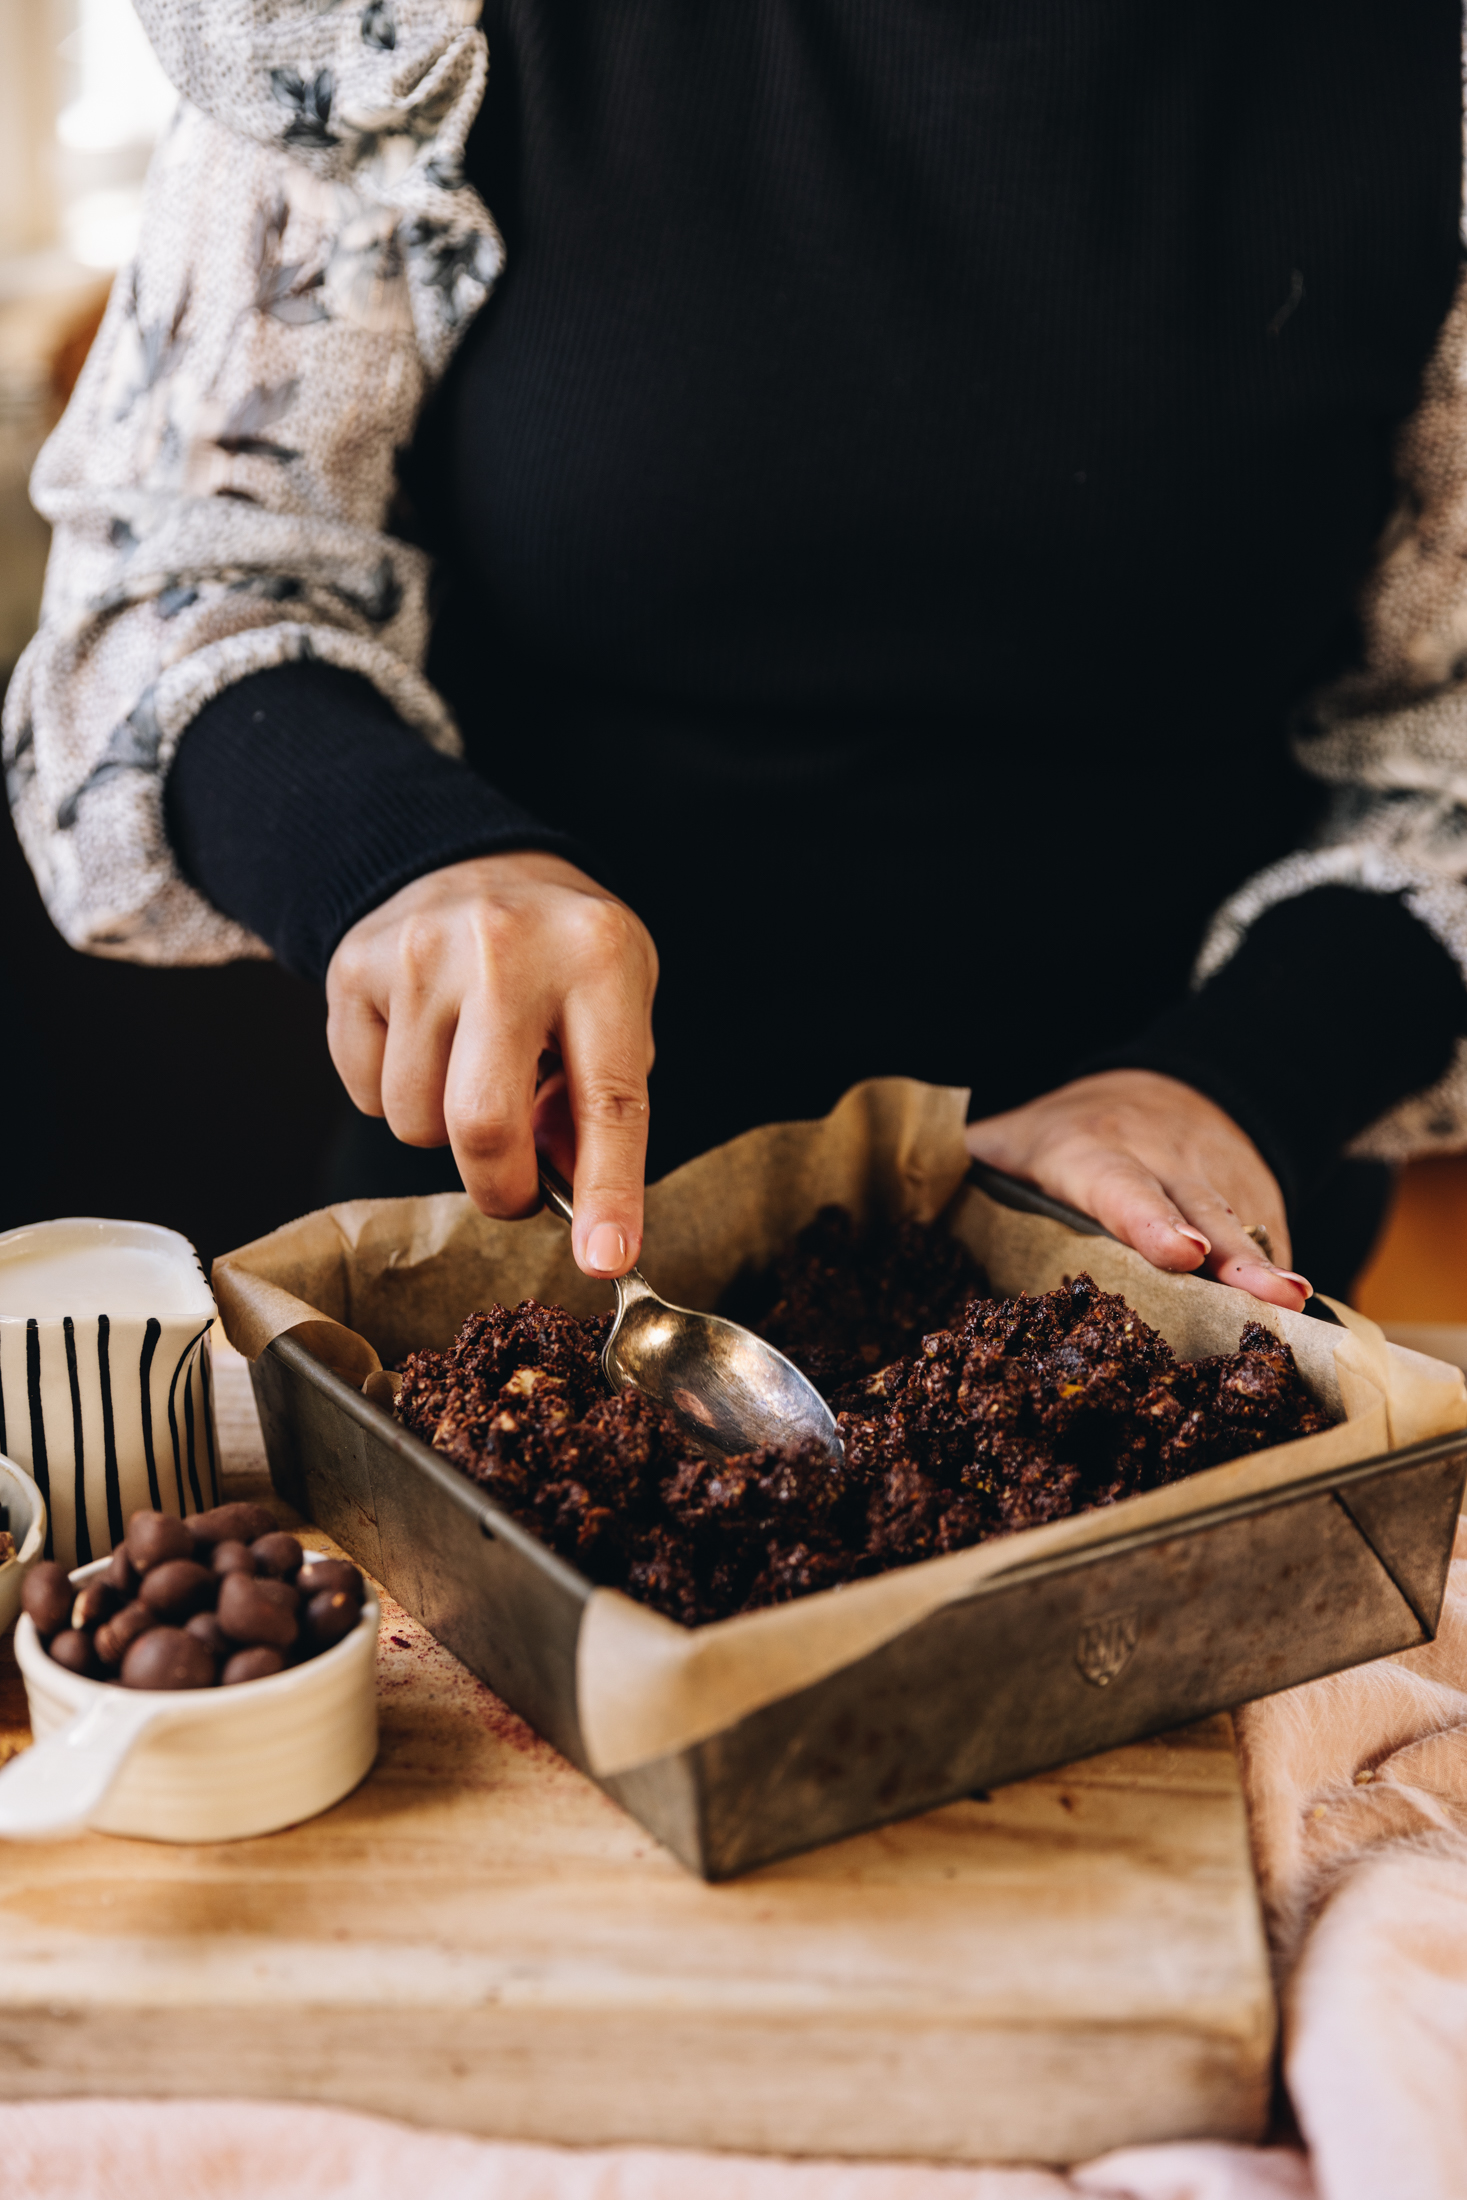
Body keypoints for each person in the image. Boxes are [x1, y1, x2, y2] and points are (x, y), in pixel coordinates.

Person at [7, 0, 1467, 1302]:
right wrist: (406, 860)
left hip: (1166, 1269)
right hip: (536, 1273)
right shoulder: (402, 26)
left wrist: (1235, 1083)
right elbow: (172, 587)